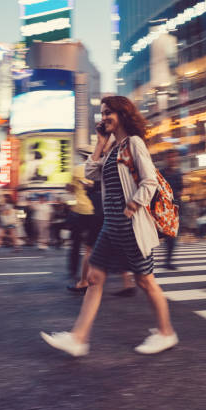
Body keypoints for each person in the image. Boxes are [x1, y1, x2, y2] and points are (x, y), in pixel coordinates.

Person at [41, 95, 178, 356]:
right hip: (110, 225)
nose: (103, 118)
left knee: (145, 281)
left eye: (108, 113)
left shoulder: (134, 144)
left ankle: (166, 332)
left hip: (130, 225)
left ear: (122, 114)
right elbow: (91, 173)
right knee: (94, 278)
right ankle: (78, 338)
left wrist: (134, 205)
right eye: (102, 113)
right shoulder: (114, 147)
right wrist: (101, 142)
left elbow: (150, 181)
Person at [161, 149, 183, 270]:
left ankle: (168, 260)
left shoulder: (178, 174)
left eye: (174, 157)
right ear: (166, 159)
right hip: (162, 207)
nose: (172, 159)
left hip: (174, 208)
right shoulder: (161, 173)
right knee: (165, 234)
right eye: (170, 157)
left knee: (172, 236)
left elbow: (181, 190)